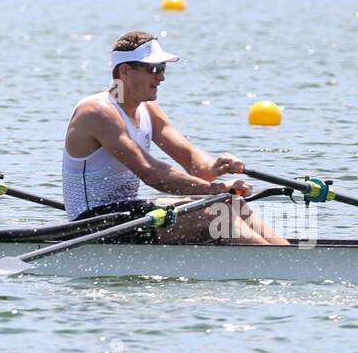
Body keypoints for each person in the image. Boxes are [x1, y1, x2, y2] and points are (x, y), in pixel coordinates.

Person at [61, 30, 288, 244]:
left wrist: (218, 166)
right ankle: (283, 271)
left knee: (232, 203)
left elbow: (192, 161)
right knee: (217, 214)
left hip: (129, 212)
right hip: (92, 224)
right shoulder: (97, 112)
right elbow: (151, 173)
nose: (161, 77)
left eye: (162, 68)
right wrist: (216, 189)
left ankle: (288, 259)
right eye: (154, 68)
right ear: (125, 71)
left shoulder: (149, 109)